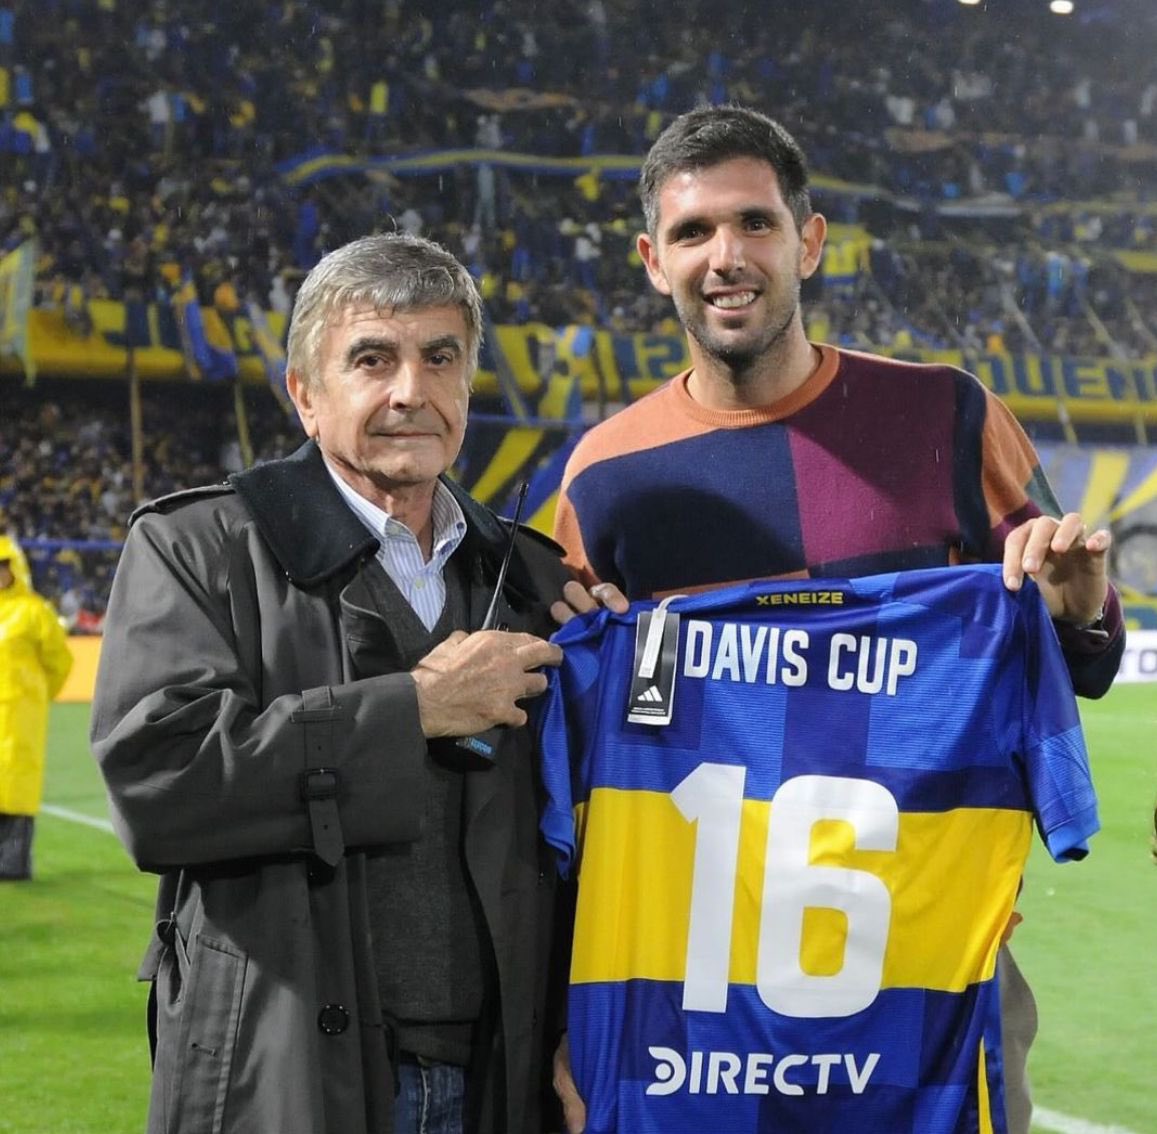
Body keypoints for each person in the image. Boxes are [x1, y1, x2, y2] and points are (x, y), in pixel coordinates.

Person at [550, 105, 1124, 1134]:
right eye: (691, 234)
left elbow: (1069, 648)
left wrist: (1080, 611)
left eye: (753, 223)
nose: (724, 258)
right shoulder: (605, 480)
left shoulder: (943, 417)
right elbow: (584, 759)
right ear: (650, 259)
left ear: (806, 240)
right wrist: (572, 1012)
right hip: (692, 999)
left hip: (930, 967)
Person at [91, 232, 573, 1134]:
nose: (409, 392)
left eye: (440, 358)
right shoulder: (196, 549)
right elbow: (156, 783)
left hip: (499, 1086)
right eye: (371, 359)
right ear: (305, 396)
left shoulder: (539, 581)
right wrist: (412, 710)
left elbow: (587, 841)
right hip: (288, 1079)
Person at [0, 533, 74, 881]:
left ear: (15, 568)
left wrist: (34, 697)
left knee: (16, 787)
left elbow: (58, 661)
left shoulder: (34, 611)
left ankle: (13, 864)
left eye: (3, 566)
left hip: (19, 716)